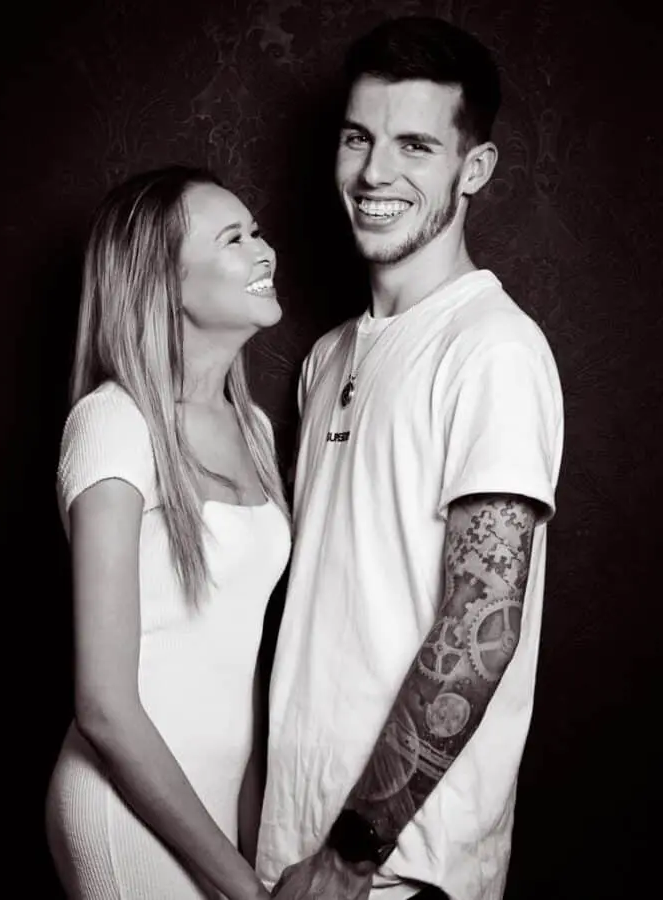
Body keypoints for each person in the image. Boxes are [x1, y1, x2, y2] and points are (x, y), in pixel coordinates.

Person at [256, 15, 564, 900]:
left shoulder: (491, 347)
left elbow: (481, 629)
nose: (375, 173)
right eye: (360, 138)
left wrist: (351, 860)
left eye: (415, 146)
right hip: (290, 845)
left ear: (474, 170)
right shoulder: (326, 356)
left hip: (395, 872)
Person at [45, 164, 291, 900]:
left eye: (258, 231)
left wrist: (249, 837)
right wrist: (242, 890)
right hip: (126, 809)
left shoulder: (255, 429)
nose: (265, 250)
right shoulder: (113, 423)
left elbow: (237, 650)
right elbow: (104, 707)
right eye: (234, 238)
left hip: (215, 808)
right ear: (167, 282)